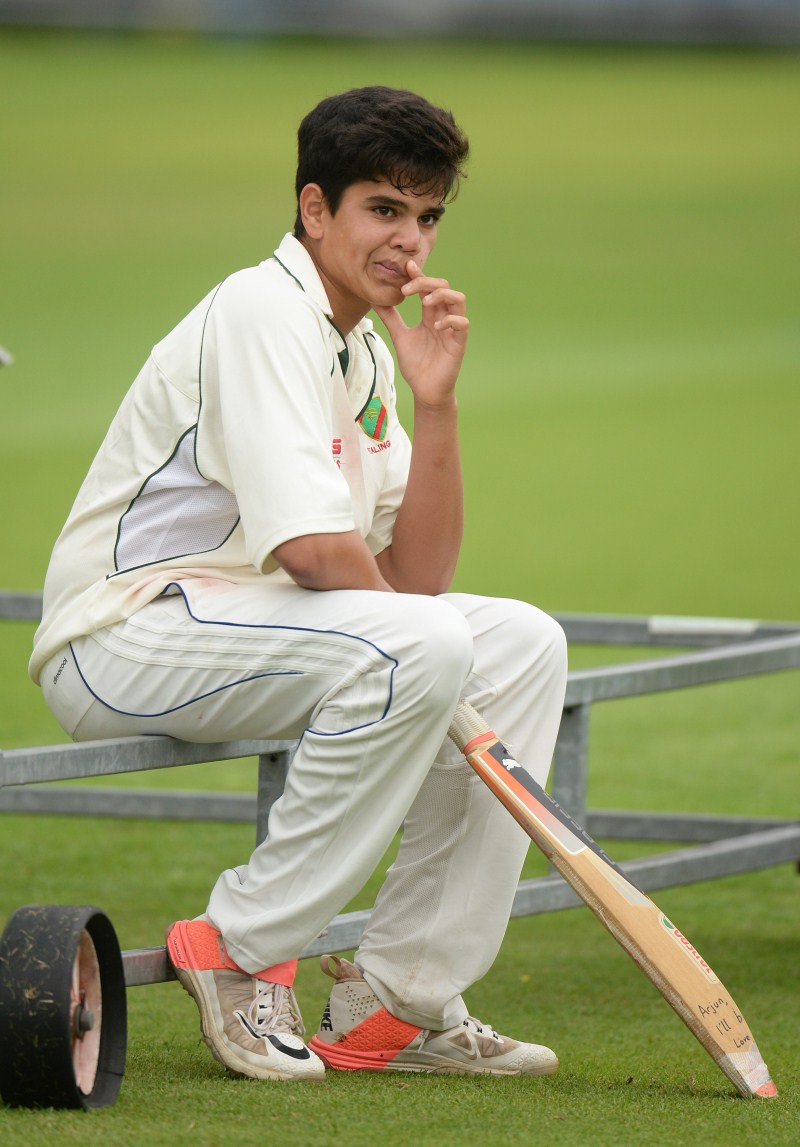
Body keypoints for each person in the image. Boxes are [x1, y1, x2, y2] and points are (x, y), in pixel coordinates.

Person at [30, 86, 568, 1082]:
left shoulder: (359, 346)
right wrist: (419, 659)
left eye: (427, 216)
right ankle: (234, 949)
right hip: (124, 634)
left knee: (522, 640)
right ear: (314, 209)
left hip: (251, 626)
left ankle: (395, 999)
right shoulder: (259, 310)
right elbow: (321, 559)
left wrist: (433, 402)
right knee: (429, 644)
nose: (409, 242)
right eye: (382, 209)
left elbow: (417, 576)